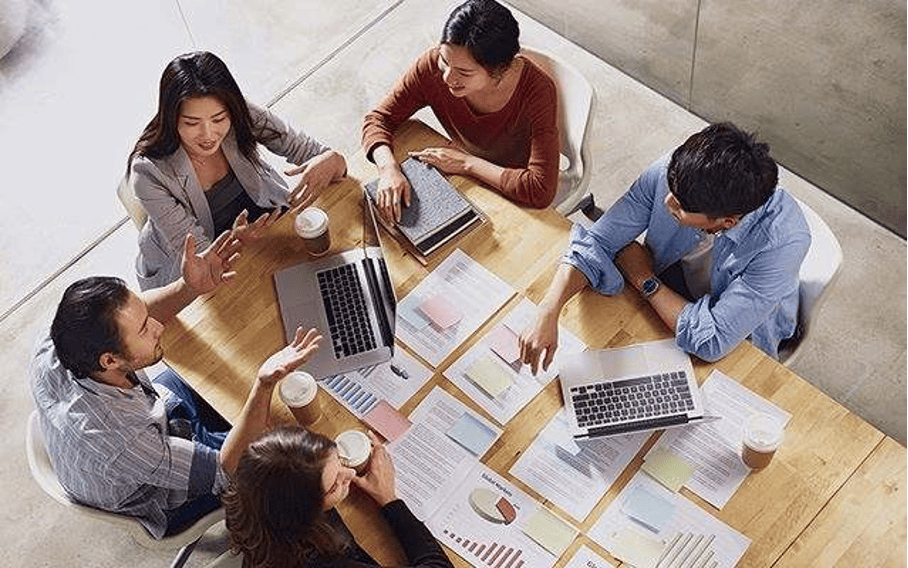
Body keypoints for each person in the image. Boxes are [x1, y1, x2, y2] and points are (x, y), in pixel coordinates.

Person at [31, 230, 323, 539]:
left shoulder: (58, 337)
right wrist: (263, 385)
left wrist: (188, 288)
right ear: (110, 361)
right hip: (157, 493)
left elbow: (137, 314)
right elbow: (225, 473)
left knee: (232, 386)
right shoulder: (121, 441)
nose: (158, 326)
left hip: (139, 427)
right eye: (145, 329)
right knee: (291, 461)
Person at [519, 122, 811, 368]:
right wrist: (549, 309)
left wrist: (645, 278)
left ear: (728, 221)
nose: (667, 201)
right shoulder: (676, 173)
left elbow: (712, 342)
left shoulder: (781, 244)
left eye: (681, 206)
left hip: (742, 335)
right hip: (674, 291)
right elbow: (599, 242)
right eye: (671, 189)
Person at [128, 50, 347, 290]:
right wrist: (237, 241)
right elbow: (200, 259)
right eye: (191, 123)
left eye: (219, 119)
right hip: (197, 265)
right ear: (171, 119)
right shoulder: (147, 173)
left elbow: (310, 151)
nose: (208, 135)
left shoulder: (240, 113)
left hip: (260, 229)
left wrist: (332, 159)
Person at [362, 0, 559, 221]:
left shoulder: (537, 91)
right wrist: (388, 169)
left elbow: (540, 189)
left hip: (509, 185)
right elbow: (379, 118)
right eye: (444, 61)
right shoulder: (431, 66)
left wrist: (466, 163)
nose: (447, 78)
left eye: (464, 73)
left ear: (500, 70)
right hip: (463, 174)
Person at [223, 427, 453, 568]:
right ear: (304, 512)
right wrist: (389, 500)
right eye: (334, 485)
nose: (351, 474)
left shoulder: (253, 493)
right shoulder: (319, 561)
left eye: (339, 459)